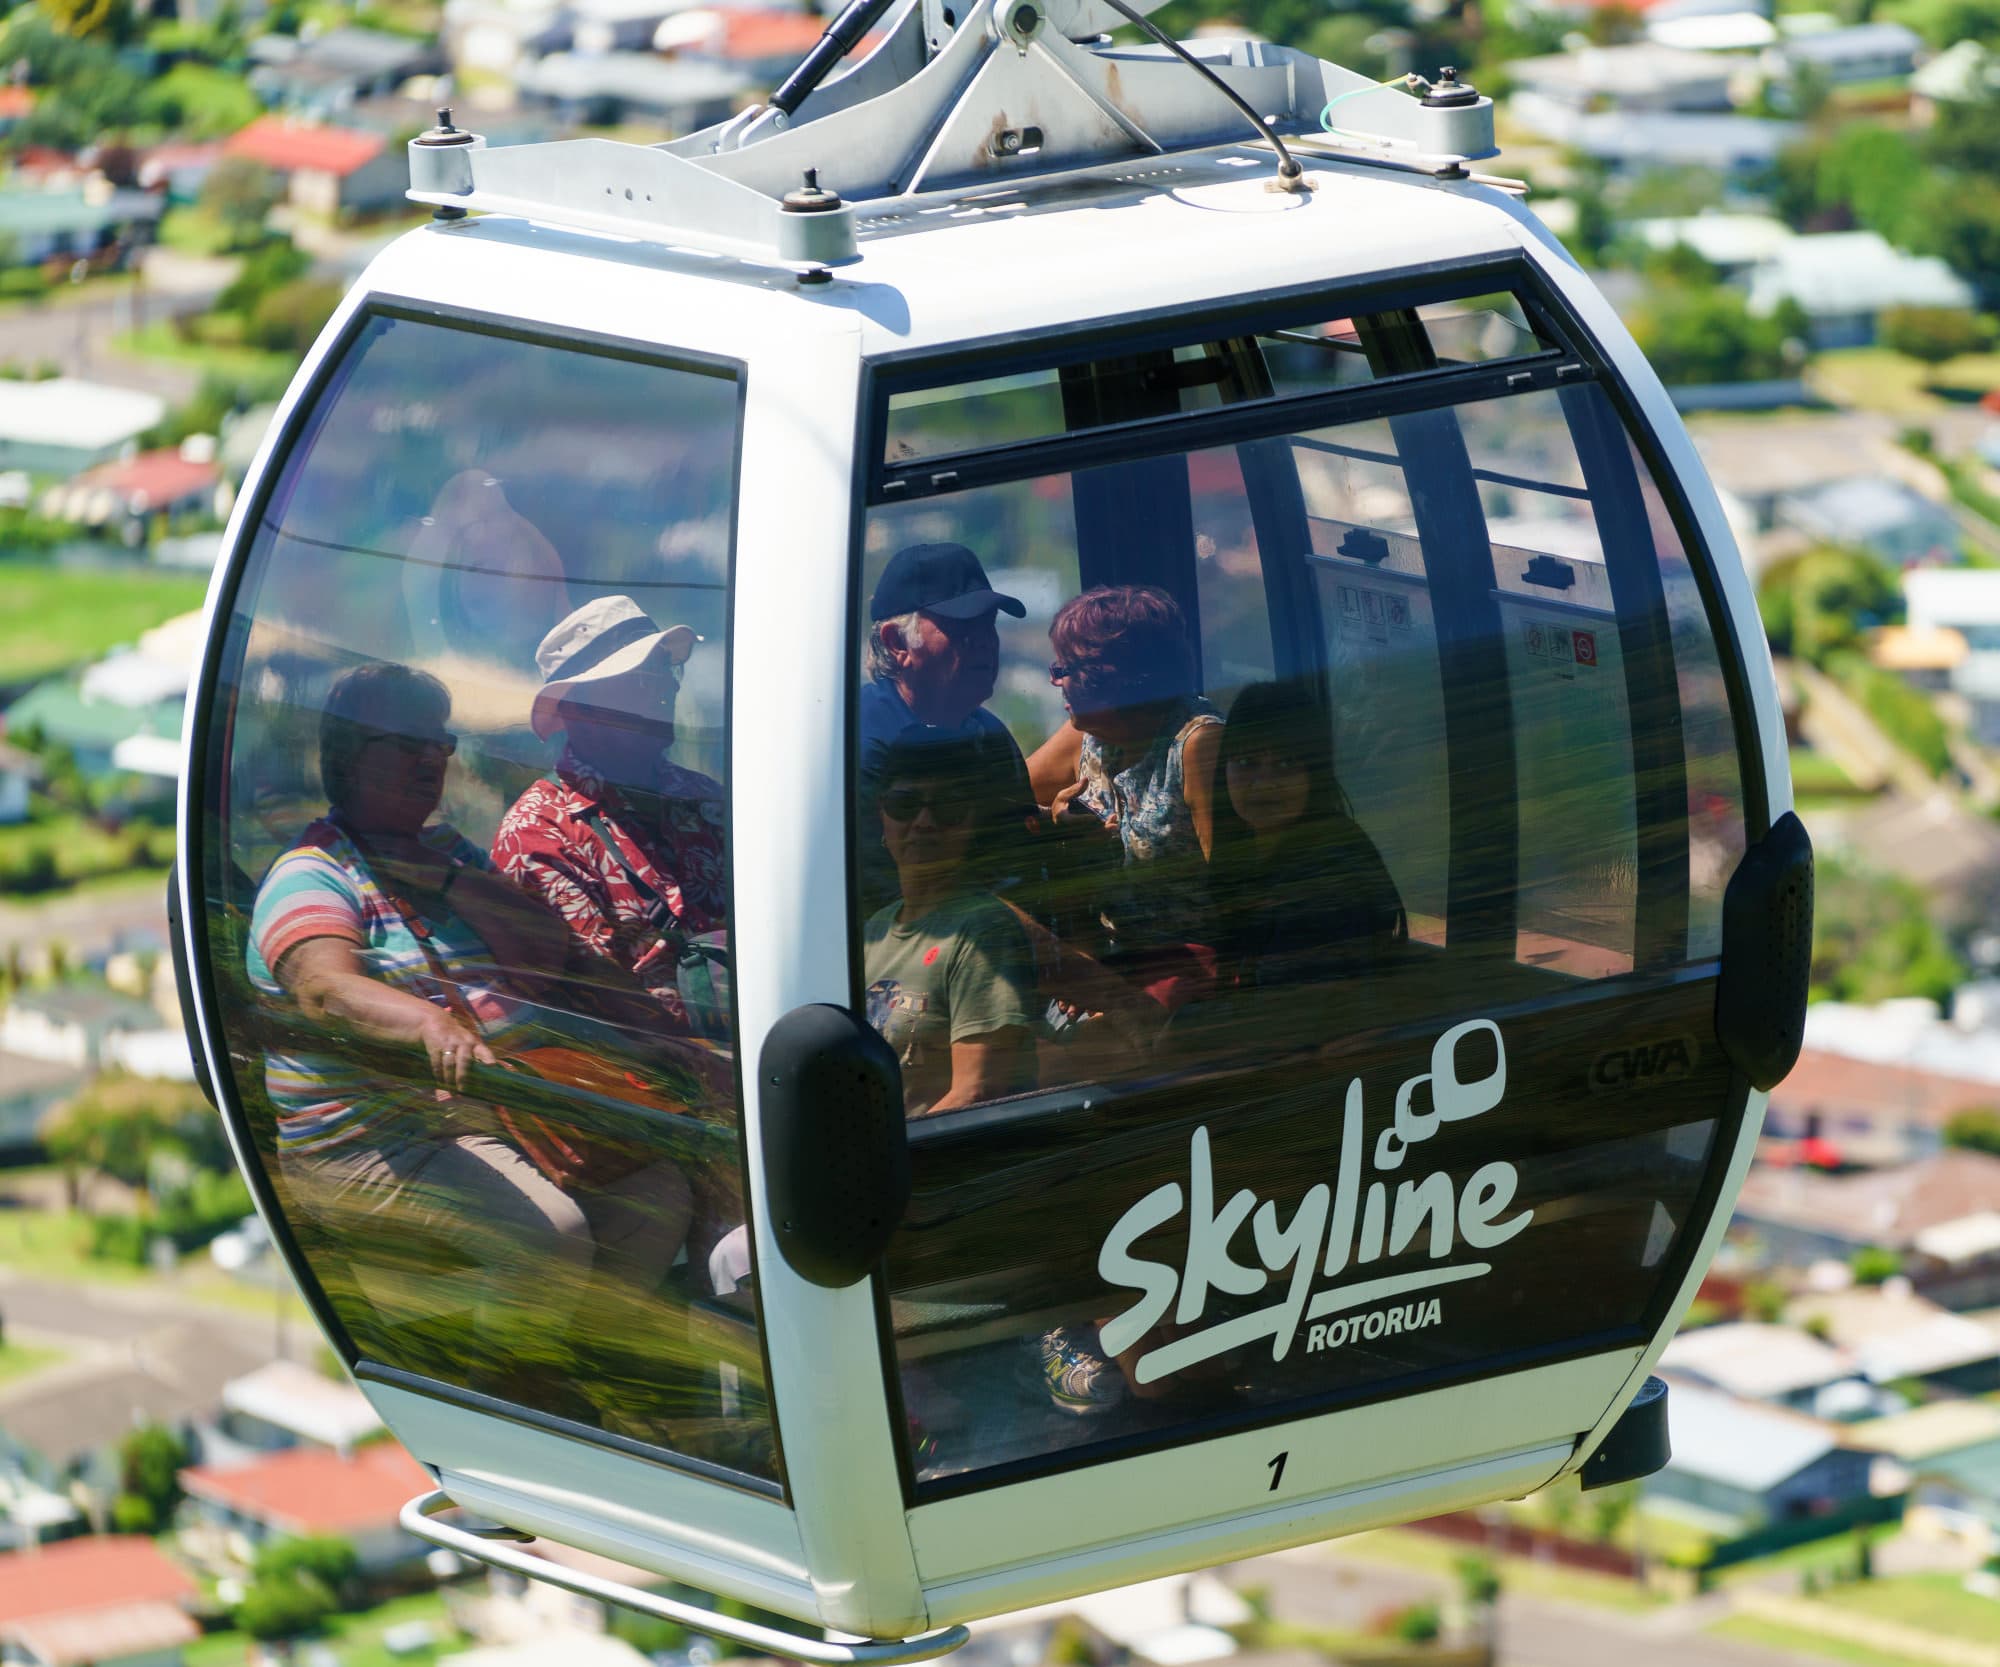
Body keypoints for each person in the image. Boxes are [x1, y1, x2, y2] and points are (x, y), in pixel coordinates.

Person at [247, 662, 691, 1373]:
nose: (433, 760)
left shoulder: (447, 852)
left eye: (441, 743)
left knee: (657, 1194)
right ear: (349, 755)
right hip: (378, 1138)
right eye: (409, 744)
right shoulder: (312, 872)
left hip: (496, 1108)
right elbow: (324, 990)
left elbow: (552, 953)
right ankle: (512, 1387)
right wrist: (430, 1025)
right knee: (548, 1232)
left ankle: (577, 1366)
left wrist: (449, 878)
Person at [493, 596, 729, 1036]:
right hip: (657, 1067)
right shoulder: (538, 834)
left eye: (666, 671)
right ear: (577, 708)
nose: (668, 688)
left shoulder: (704, 797)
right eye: (642, 677)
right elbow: (594, 1003)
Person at [1045, 584, 1224, 1009]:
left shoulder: (1196, 744)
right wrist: (1056, 820)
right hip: (1111, 963)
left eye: (1065, 668)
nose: (1055, 680)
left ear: (1112, 677)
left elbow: (1232, 889)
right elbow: (1003, 799)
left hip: (1186, 976)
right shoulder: (1088, 731)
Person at [863, 731, 1039, 1117]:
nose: (924, 822)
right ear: (882, 815)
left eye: (947, 808)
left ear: (973, 822)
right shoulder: (875, 930)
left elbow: (977, 1093)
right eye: (905, 805)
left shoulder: (983, 929)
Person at [859, 543, 1037, 912]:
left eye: (989, 625)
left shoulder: (989, 735)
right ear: (897, 643)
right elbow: (885, 905)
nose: (986, 643)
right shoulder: (862, 745)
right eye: (963, 628)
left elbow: (1020, 865)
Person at [1209, 680, 1405, 993]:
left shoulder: (1329, 876)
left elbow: (1292, 1004)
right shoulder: (1247, 855)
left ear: (1314, 773)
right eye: (1246, 763)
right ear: (1224, 768)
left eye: (1286, 763)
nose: (1264, 783)